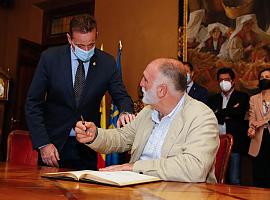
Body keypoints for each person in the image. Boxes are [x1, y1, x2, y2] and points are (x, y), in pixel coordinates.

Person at [75, 58, 220, 183]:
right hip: (136, 190)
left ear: (161, 90)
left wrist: (134, 167)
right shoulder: (147, 112)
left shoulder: (201, 116)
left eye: (145, 79)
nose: (141, 84)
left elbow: (194, 168)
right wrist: (95, 135)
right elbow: (121, 137)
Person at [25, 15, 134, 170]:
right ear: (70, 39)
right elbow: (33, 104)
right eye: (81, 46)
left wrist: (125, 111)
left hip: (87, 146)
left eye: (91, 45)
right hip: (53, 146)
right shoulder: (50, 58)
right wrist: (43, 144)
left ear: (96, 36)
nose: (87, 50)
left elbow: (122, 96)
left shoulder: (107, 63)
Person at [208, 67, 249, 185]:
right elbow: (211, 115)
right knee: (217, 178)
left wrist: (220, 112)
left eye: (226, 79)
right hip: (216, 144)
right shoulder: (213, 99)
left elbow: (238, 113)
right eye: (220, 80)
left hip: (235, 143)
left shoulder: (242, 96)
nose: (223, 83)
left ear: (233, 81)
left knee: (234, 179)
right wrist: (230, 111)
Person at [248, 68, 270, 188]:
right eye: (262, 77)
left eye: (267, 77)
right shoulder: (253, 98)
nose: (264, 79)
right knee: (259, 174)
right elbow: (252, 117)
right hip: (258, 139)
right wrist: (251, 127)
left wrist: (261, 121)